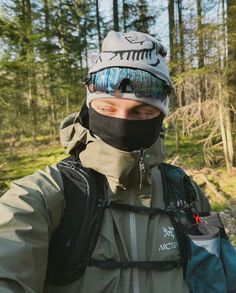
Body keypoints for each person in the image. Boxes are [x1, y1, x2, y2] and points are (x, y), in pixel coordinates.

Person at [0, 31, 213, 293]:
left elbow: (219, 277)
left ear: (160, 116)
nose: (121, 123)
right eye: (107, 109)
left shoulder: (186, 193)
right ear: (89, 110)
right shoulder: (40, 197)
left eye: (140, 111)